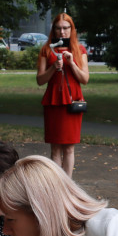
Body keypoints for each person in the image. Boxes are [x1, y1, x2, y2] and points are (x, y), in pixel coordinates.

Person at [36, 13, 90, 178]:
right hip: (53, 101)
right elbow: (40, 80)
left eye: (66, 28)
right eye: (58, 28)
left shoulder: (79, 50)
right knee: (55, 148)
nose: (62, 32)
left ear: (72, 29)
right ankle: (56, 184)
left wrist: (71, 63)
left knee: (69, 147)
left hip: (72, 101)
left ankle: (68, 185)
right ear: (54, 29)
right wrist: (54, 68)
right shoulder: (46, 49)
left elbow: (85, 79)